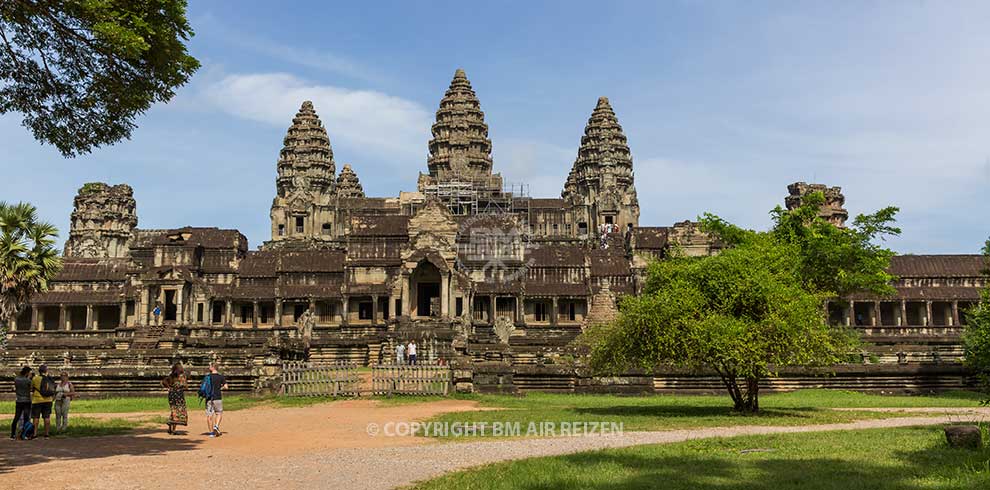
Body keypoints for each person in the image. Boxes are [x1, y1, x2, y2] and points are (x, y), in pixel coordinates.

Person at [162, 363, 188, 435]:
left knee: (173, 410)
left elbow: (163, 382)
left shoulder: (171, 376)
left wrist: (169, 387)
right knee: (178, 411)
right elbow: (185, 386)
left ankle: (171, 427)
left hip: (172, 394)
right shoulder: (182, 376)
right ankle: (173, 429)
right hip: (179, 394)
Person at [30, 364, 54, 439]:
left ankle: (35, 434)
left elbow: (31, 387)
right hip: (48, 400)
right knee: (47, 417)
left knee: (36, 417)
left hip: (37, 400)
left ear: (39, 371)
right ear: (46, 371)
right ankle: (46, 434)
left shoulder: (35, 378)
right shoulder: (49, 379)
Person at [204, 362, 228, 437]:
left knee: (209, 416)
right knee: (219, 413)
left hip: (209, 398)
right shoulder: (221, 377)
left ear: (213, 367)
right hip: (217, 397)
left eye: (210, 366)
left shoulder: (207, 377)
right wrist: (220, 388)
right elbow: (226, 387)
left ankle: (211, 433)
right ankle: (216, 426)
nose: (209, 367)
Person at [10, 366, 32, 440]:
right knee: (26, 418)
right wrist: (29, 378)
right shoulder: (28, 380)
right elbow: (31, 388)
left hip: (19, 400)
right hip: (26, 400)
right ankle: (24, 434)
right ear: (27, 373)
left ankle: (12, 434)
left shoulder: (16, 379)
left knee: (16, 417)